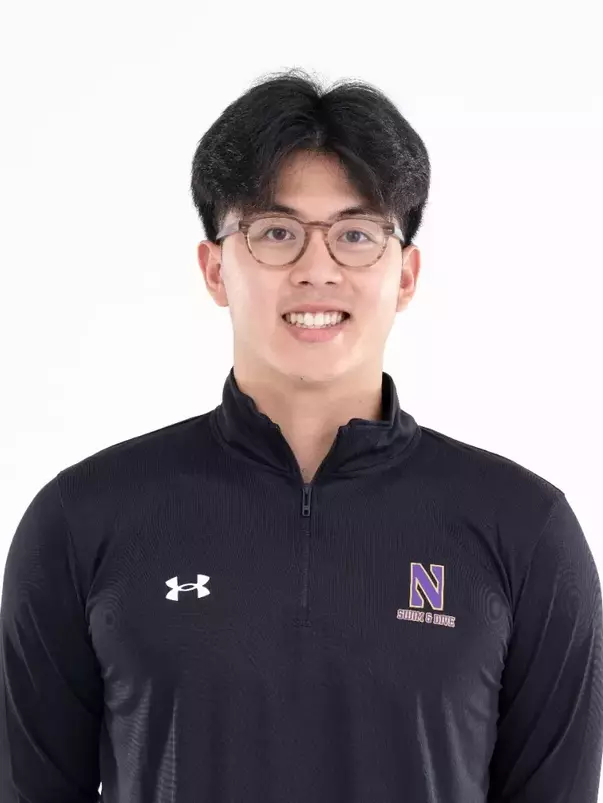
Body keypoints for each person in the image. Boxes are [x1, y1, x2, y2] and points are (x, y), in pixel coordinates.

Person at [1, 68, 602, 803]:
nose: (317, 268)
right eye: (275, 233)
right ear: (214, 267)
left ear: (405, 274)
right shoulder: (81, 521)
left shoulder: (523, 530)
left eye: (355, 234)